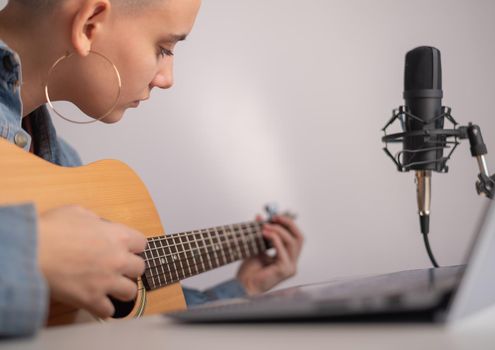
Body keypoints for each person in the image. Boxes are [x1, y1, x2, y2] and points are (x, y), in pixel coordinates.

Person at [0, 0, 304, 337]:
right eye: (163, 48)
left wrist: (242, 287)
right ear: (89, 24)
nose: (167, 79)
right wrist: (37, 252)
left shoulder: (63, 167)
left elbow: (123, 318)